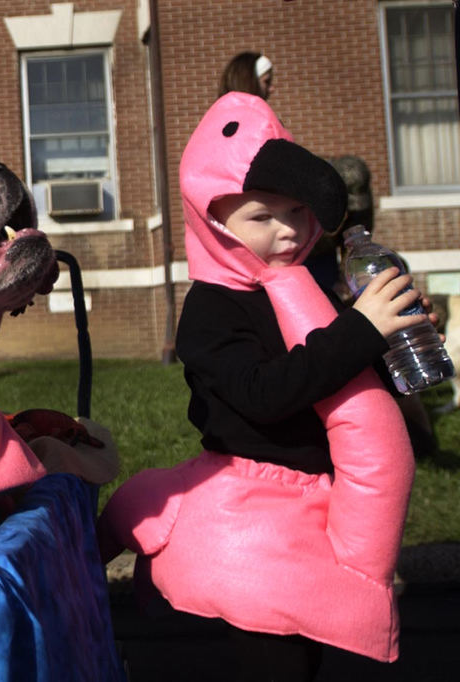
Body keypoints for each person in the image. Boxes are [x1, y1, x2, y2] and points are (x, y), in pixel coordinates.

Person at [98, 93, 425, 679]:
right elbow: (262, 394)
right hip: (250, 510)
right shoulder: (212, 307)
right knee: (275, 657)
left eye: (298, 212)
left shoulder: (292, 287)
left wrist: (390, 336)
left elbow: (338, 380)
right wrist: (357, 331)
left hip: (308, 502)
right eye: (261, 215)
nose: (286, 231)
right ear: (212, 219)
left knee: (305, 648)